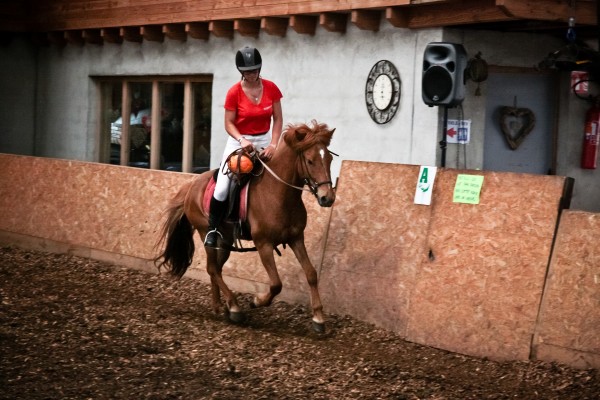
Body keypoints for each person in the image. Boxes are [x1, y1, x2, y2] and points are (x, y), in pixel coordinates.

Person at [204, 46, 283, 248]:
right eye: (247, 71)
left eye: (255, 70)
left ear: (260, 69)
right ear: (241, 72)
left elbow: (278, 119)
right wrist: (242, 140)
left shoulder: (272, 88)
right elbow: (228, 123)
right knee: (222, 188)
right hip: (239, 141)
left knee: (278, 177)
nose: (252, 74)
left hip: (264, 140)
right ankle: (213, 230)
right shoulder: (233, 93)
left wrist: (274, 144)